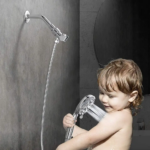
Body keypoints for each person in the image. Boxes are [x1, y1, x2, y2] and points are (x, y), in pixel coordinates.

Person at [56, 58, 143, 150]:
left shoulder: (119, 117)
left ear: (131, 96)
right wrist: (72, 128)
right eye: (102, 93)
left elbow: (89, 139)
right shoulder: (120, 116)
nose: (104, 99)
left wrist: (62, 148)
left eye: (111, 96)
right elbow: (92, 138)